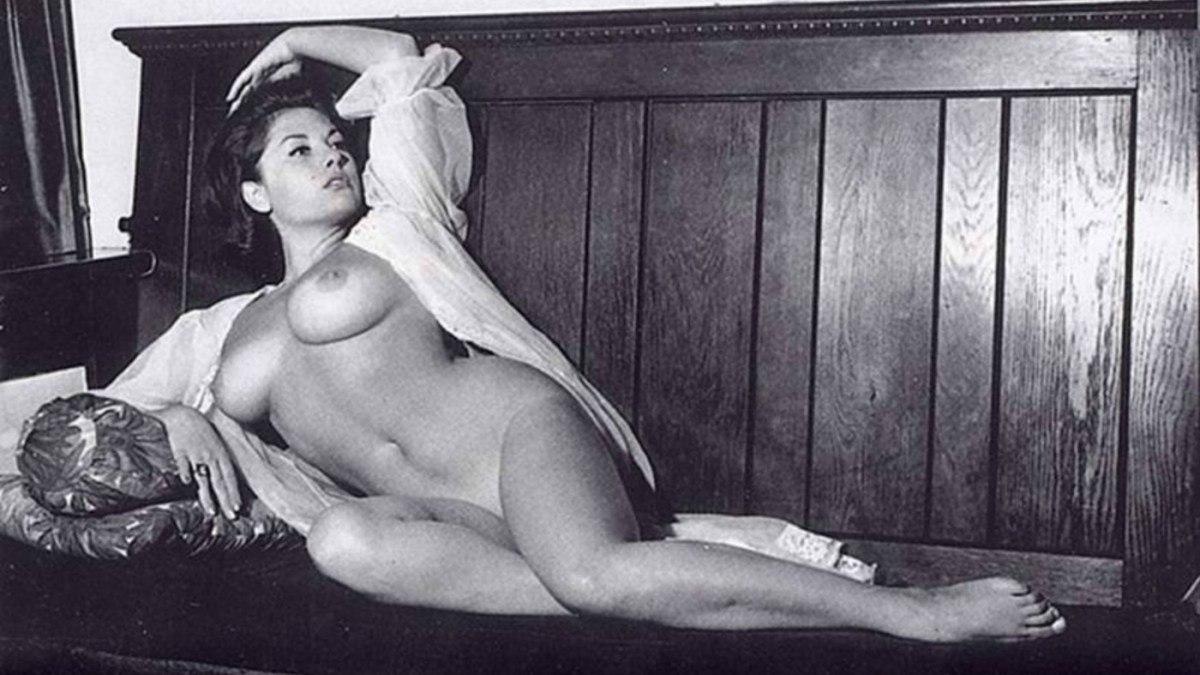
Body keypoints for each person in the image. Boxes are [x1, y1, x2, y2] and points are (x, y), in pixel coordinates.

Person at [104, 24, 1066, 641]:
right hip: (450, 521)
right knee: (342, 540)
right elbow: (94, 415)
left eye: (334, 142)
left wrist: (295, 36)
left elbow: (399, 67)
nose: (332, 158)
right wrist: (178, 419)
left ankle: (910, 612)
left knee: (592, 570)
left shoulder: (400, 222)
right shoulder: (221, 330)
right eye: (299, 149)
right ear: (254, 193)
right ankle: (651, 588)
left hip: (516, 435)